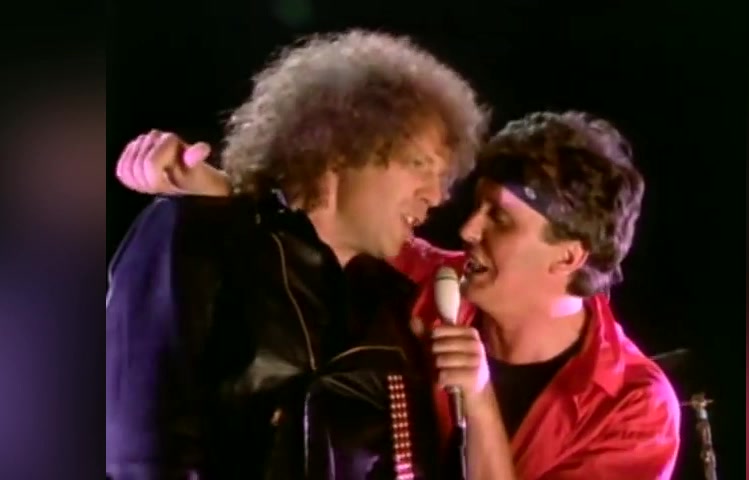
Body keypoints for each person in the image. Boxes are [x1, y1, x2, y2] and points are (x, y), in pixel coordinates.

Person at [116, 112, 681, 479]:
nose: (468, 230)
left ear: (569, 257)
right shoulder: (431, 283)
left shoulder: (637, 406)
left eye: (501, 220)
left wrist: (479, 402)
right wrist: (212, 187)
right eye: (476, 206)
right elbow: (331, 225)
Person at [106, 30, 487, 480]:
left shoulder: (391, 309)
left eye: (444, 178)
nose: (436, 196)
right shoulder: (198, 240)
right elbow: (144, 459)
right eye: (419, 165)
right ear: (341, 149)